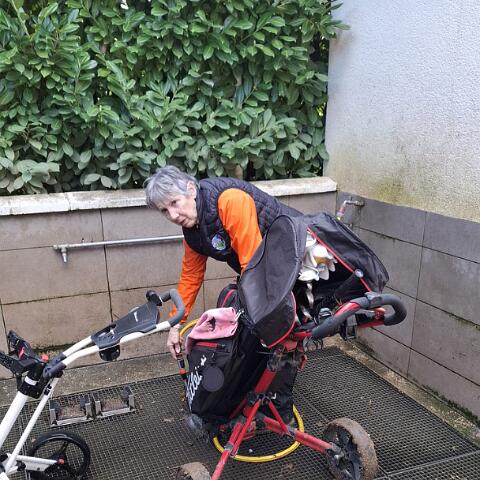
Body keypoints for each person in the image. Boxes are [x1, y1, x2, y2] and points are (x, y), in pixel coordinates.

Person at [144, 165, 300, 423]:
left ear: (191, 189)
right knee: (248, 327)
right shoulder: (194, 231)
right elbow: (191, 276)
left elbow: (252, 263)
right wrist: (175, 325)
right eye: (164, 210)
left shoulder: (229, 201)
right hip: (267, 273)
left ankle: (279, 411)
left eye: (174, 203)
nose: (172, 215)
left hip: (295, 263)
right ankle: (247, 396)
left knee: (277, 335)